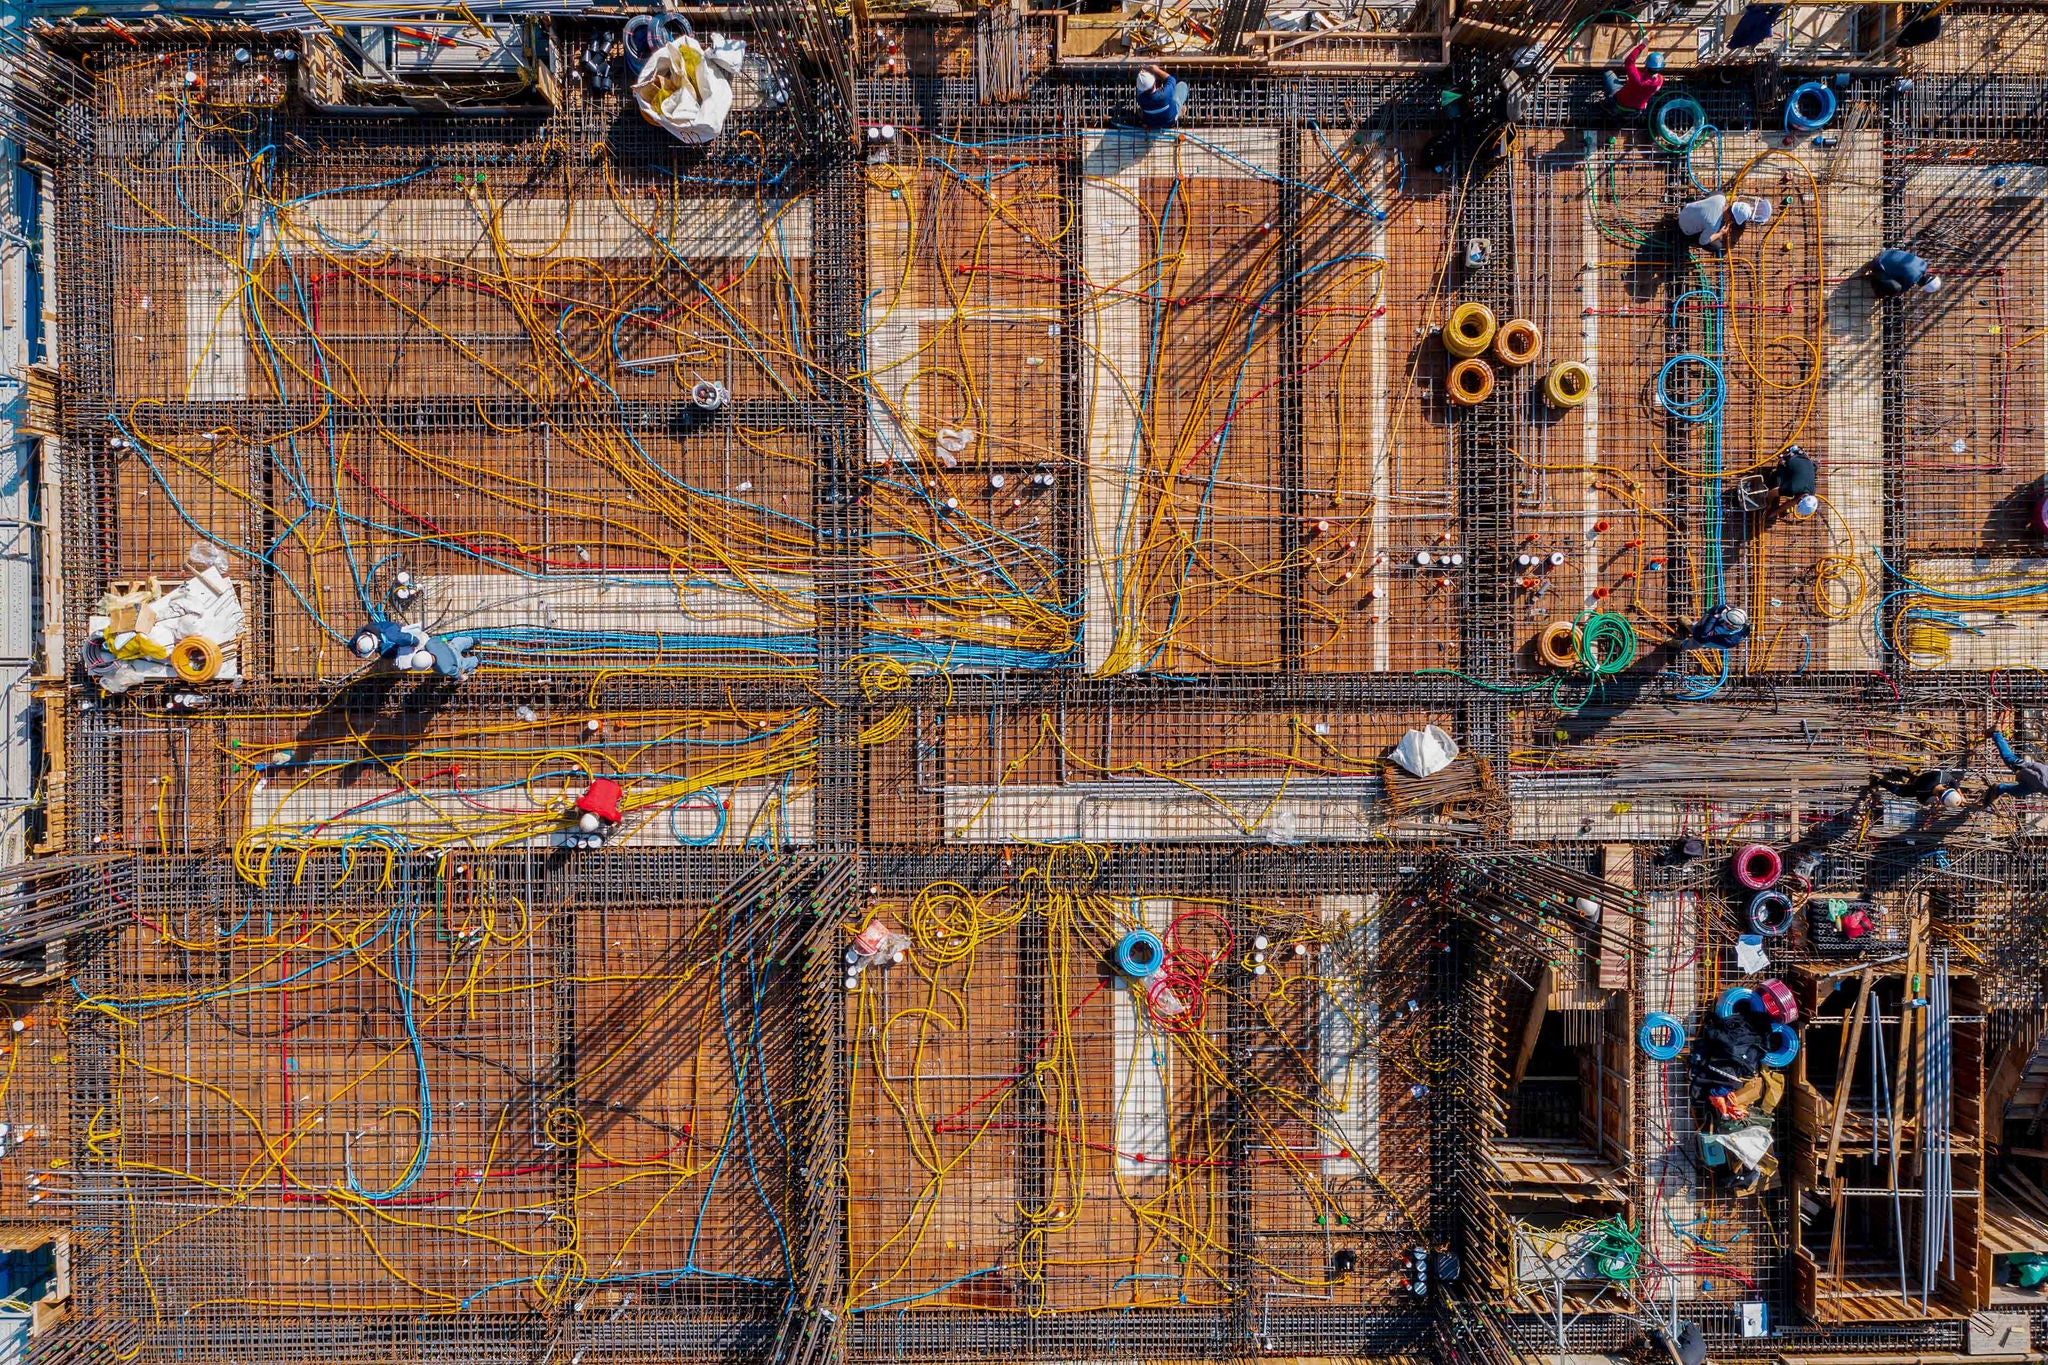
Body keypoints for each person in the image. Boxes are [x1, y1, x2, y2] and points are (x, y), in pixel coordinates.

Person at [1678, 193, 1772, 253]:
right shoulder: (1713, 226)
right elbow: (1702, 241)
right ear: (1732, 218)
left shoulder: (1720, 198)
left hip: (1687, 209)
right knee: (1717, 245)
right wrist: (1720, 233)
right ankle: (1685, 240)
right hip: (1684, 229)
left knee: (1714, 194)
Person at [1604, 42, 1664, 112]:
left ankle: (1607, 103)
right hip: (1637, 109)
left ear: (1646, 66)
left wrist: (1643, 44)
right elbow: (1646, 80)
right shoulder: (1660, 80)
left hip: (1620, 103)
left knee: (1608, 73)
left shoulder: (1636, 78)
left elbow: (1629, 61)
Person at [1988, 730, 2048, 801]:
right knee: (2009, 758)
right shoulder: (2044, 785)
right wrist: (2020, 772)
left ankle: (1999, 789)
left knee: (2018, 792)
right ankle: (1996, 733)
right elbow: (2035, 777)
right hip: (2030, 772)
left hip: (2036, 779)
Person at [1873, 768, 1965, 810]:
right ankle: (1878, 781)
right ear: (1940, 799)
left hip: (1923, 775)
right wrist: (1937, 803)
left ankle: (1897, 771)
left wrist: (1960, 795)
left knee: (1911, 774)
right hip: (1916, 786)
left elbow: (1953, 782)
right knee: (1898, 791)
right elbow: (1921, 800)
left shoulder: (1941, 776)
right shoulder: (1925, 793)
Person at [1866, 247, 1942, 299]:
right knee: (1896, 288)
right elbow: (1901, 290)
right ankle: (1875, 282)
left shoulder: (1923, 263)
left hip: (1886, 252)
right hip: (1877, 264)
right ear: (1922, 285)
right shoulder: (1912, 279)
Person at [1134, 65, 1187, 130]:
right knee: (1182, 85)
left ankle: (1145, 122)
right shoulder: (1165, 94)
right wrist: (1157, 70)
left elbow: (1141, 86)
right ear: (1155, 83)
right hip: (1170, 121)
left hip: (1152, 124)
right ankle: (1179, 113)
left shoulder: (1140, 98)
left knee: (1142, 110)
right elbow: (1171, 79)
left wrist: (1141, 75)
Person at [1772, 444, 1819, 518]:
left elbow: (1793, 502)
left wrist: (1774, 513)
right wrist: (1768, 503)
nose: (1796, 504)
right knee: (1777, 483)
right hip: (1790, 457)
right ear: (1801, 498)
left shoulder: (1811, 493)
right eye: (1798, 503)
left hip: (1804, 459)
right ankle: (1782, 461)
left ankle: (1798, 452)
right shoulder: (1793, 488)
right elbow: (1772, 493)